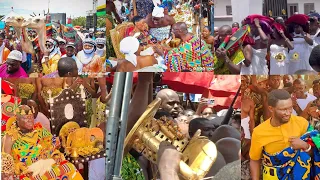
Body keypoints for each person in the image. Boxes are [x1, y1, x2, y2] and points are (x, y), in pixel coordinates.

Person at [249, 89, 320, 180]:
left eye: (290, 108)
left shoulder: (302, 123)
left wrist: (305, 146)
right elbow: (255, 160)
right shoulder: (259, 132)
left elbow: (316, 154)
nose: (288, 113)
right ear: (271, 108)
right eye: (283, 109)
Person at [1, 105, 83, 179]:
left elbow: (53, 146)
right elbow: (6, 163)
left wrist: (56, 155)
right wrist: (18, 167)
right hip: (26, 171)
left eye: (31, 117)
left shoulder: (40, 130)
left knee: (69, 167)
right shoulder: (10, 136)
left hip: (47, 164)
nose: (30, 120)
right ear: (17, 119)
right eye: (26, 118)